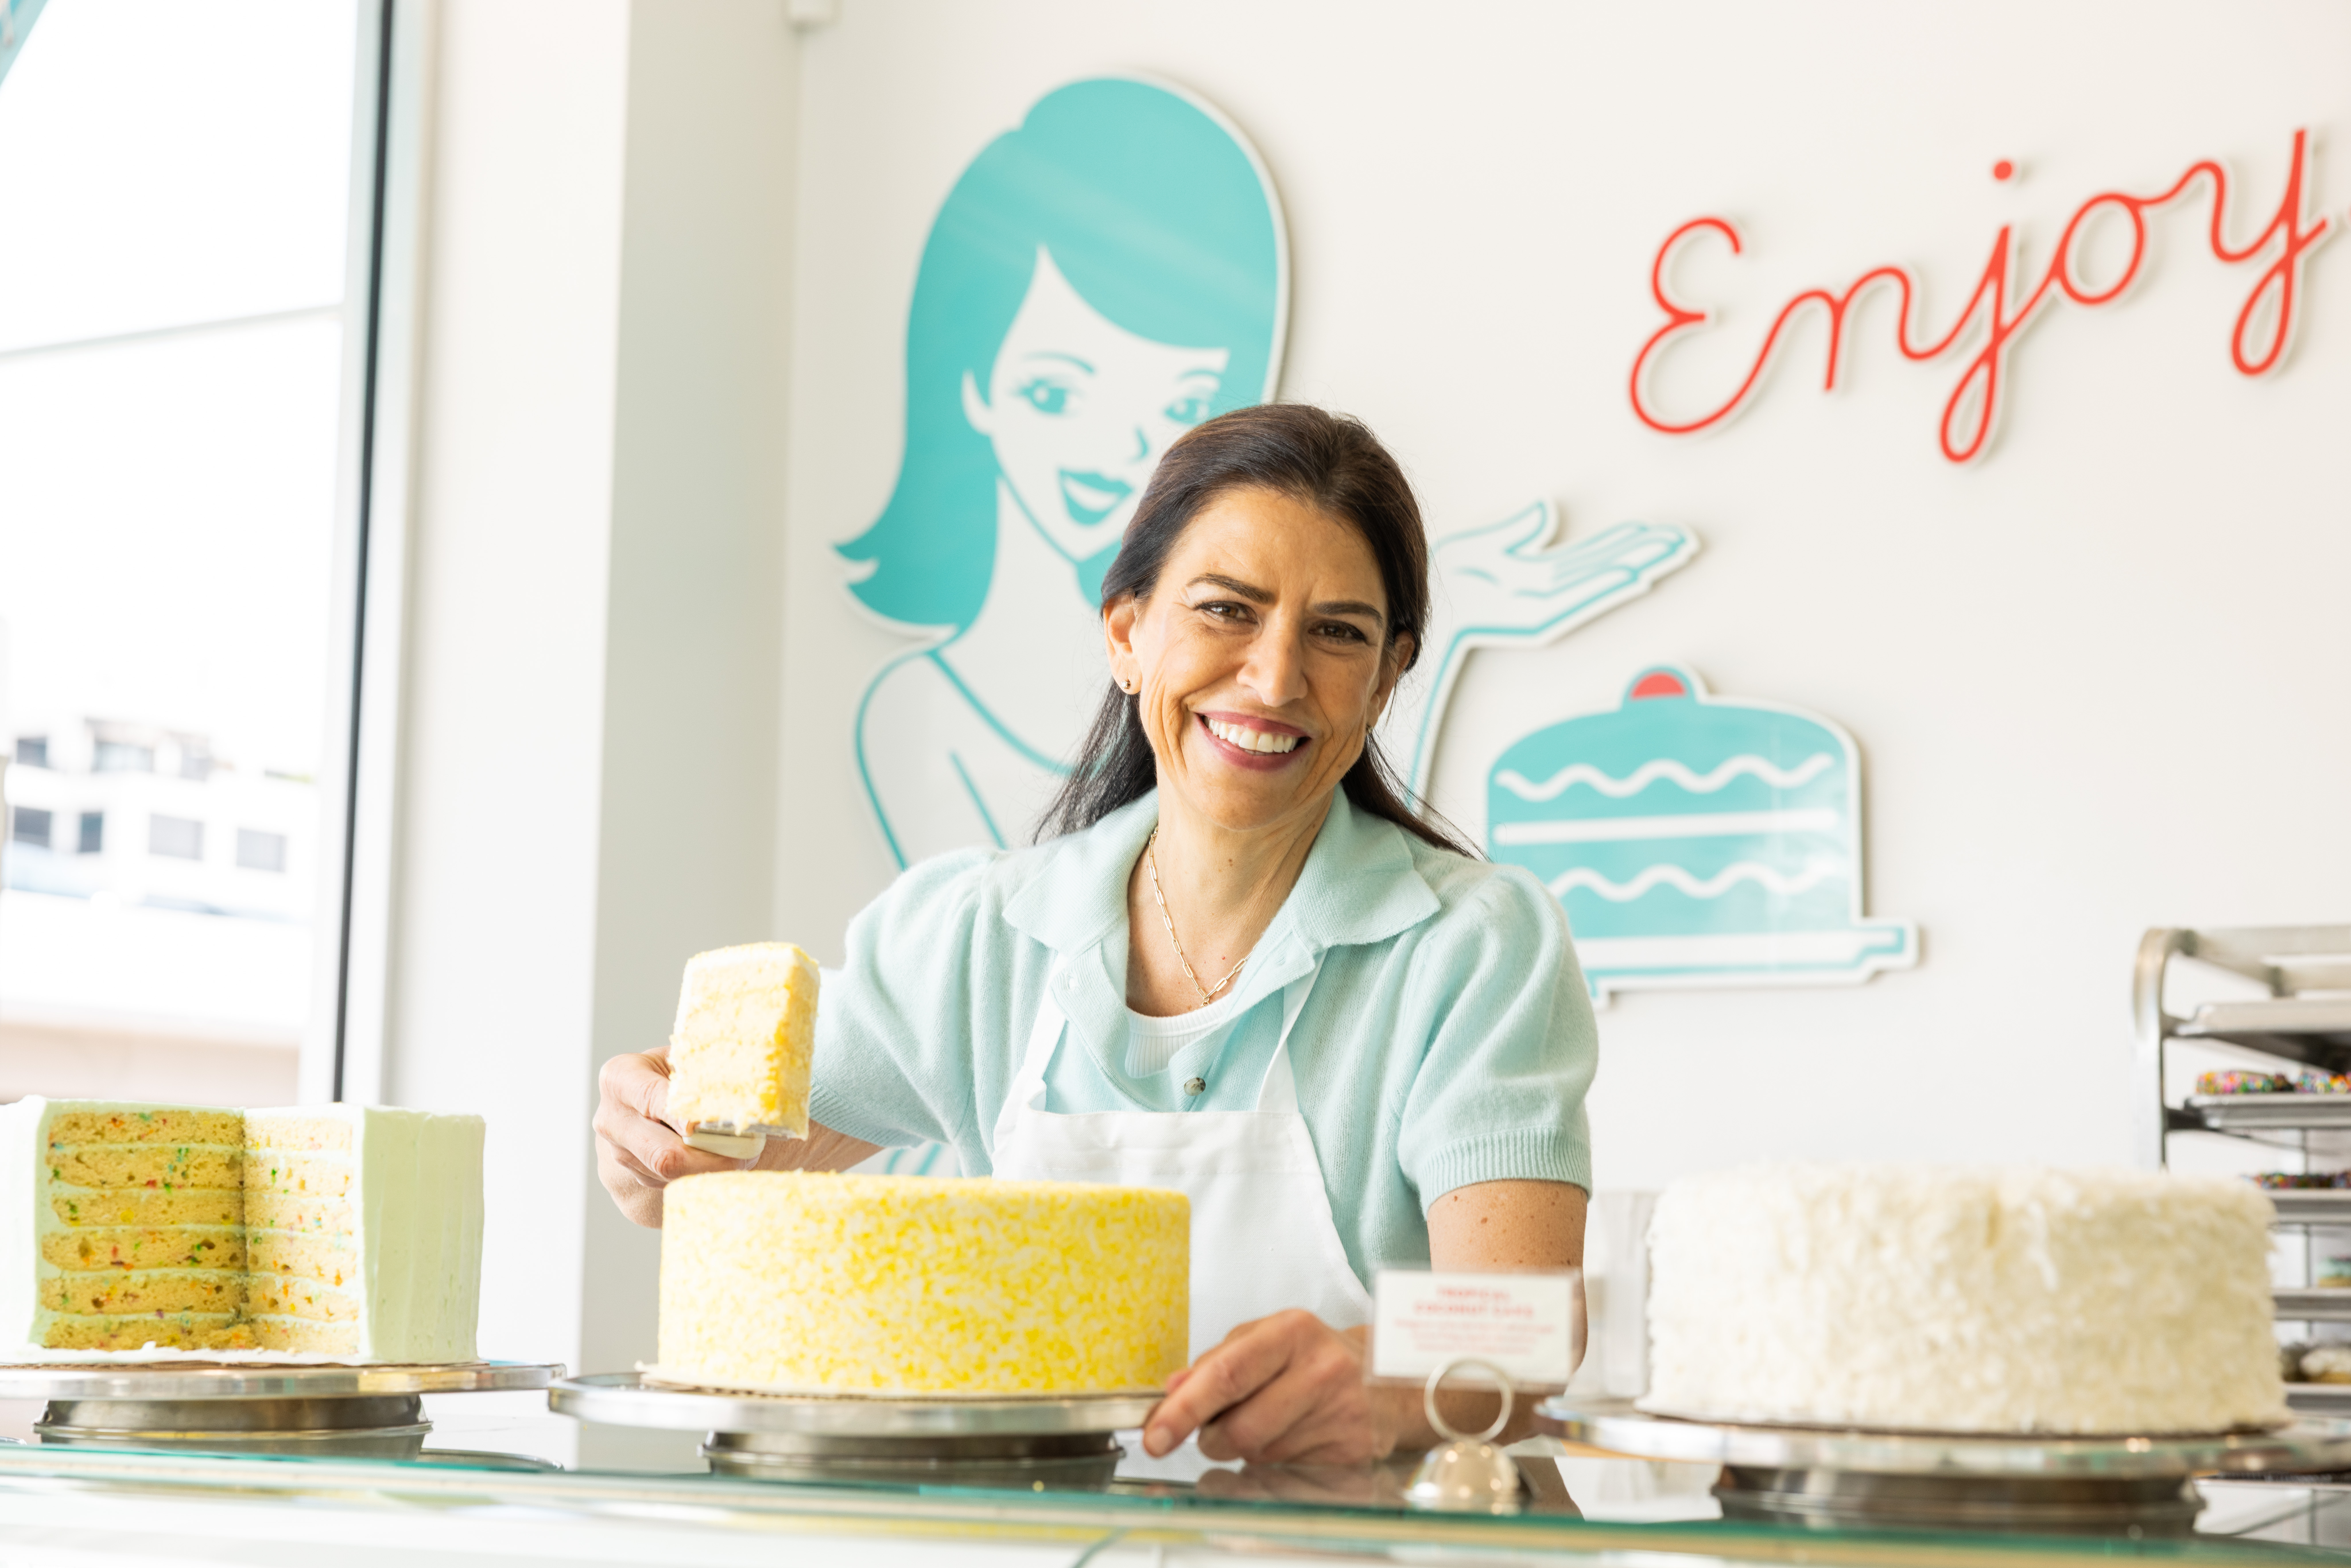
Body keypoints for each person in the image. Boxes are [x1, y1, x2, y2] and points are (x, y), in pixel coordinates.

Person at [599, 405, 1597, 1465]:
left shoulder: (1473, 949)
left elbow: (1529, 1330)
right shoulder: (980, 936)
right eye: (1226, 611)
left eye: (1338, 633)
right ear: (1127, 633)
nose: (1273, 679)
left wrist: (1393, 1383)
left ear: (1389, 676)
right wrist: (655, 1144)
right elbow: (728, 1162)